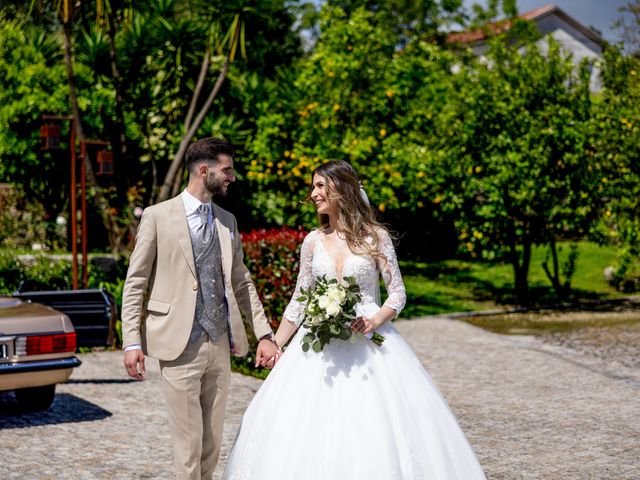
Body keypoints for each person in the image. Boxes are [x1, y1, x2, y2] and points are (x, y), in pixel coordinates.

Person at [223, 160, 486, 479]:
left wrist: (375, 320)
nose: (313, 193)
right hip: (318, 348)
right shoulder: (312, 242)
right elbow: (299, 301)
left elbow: (398, 294)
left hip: (369, 344)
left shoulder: (375, 238)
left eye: (320, 186)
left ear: (342, 188)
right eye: (313, 186)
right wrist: (275, 343)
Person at [121, 137, 280, 480]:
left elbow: (242, 283)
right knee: (188, 445)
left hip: (219, 342)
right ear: (204, 170)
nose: (232, 177)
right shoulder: (157, 217)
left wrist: (264, 333)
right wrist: (131, 341)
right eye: (227, 169)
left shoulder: (227, 221)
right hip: (178, 344)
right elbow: (135, 283)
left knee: (211, 443)